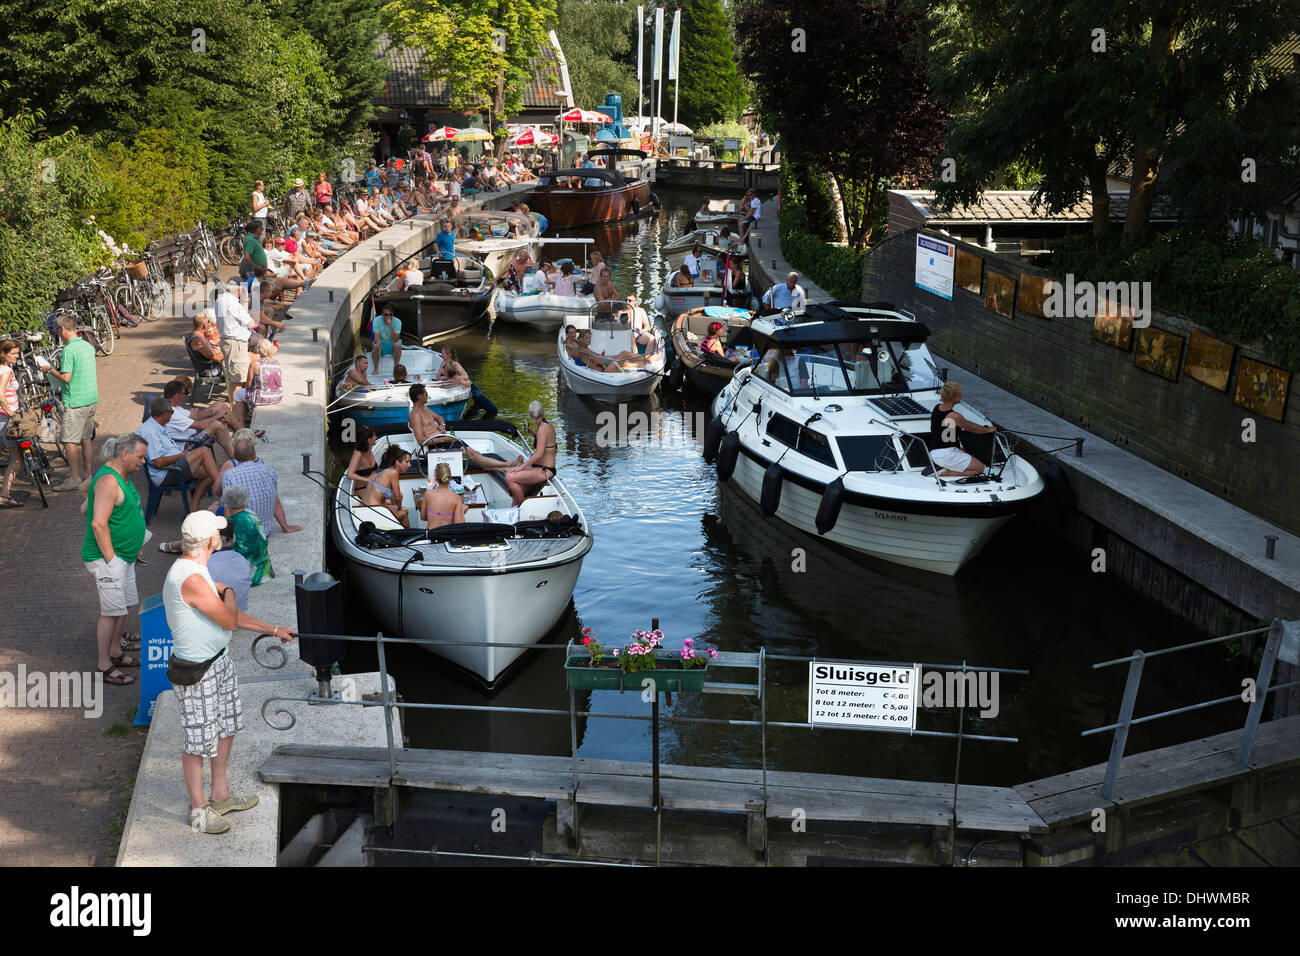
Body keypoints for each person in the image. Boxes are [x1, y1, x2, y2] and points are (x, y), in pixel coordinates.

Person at [163, 510, 292, 834]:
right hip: (198, 671)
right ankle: (198, 809)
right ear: (210, 541)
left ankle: (220, 795)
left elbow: (230, 616)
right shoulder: (192, 578)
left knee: (227, 726)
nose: (222, 535)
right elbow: (230, 619)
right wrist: (230, 592)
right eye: (218, 532)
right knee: (197, 740)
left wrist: (274, 629)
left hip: (218, 662)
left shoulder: (198, 570)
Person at [82, 433, 150, 685]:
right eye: (140, 457)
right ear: (125, 455)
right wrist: (112, 561)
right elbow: (99, 524)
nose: (143, 462)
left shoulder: (122, 475)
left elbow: (86, 502)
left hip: (125, 556)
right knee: (110, 612)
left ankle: (115, 650)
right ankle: (104, 664)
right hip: (110, 559)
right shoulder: (110, 481)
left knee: (123, 605)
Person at [46, 314, 99, 491]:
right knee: (86, 438)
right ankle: (88, 474)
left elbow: (66, 378)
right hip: (91, 397)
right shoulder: (87, 346)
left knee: (68, 441)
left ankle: (74, 477)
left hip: (76, 400)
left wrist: (50, 370)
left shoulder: (68, 350)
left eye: (57, 330)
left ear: (62, 329)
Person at [138, 398, 220, 512]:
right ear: (164, 414)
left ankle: (193, 505)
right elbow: (159, 462)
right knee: (204, 451)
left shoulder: (159, 425)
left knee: (208, 471)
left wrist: (181, 455)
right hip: (166, 473)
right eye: (171, 412)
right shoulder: (150, 432)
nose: (172, 415)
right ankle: (223, 491)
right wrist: (180, 456)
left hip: (174, 464)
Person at [220, 438, 302, 534]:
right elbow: (276, 502)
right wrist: (286, 527)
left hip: (244, 535)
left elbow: (228, 511)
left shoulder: (229, 475)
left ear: (235, 457)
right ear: (254, 455)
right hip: (265, 532)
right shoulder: (269, 471)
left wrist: (229, 536)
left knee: (215, 509)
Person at [930, 381, 996, 477]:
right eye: (959, 393)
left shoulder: (937, 408)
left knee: (966, 453)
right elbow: (973, 428)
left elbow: (945, 434)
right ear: (954, 396)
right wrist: (989, 430)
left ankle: (946, 467)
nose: (961, 395)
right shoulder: (954, 416)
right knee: (980, 468)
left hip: (935, 452)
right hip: (946, 455)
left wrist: (958, 447)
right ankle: (944, 472)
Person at [162, 380, 235, 461]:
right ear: (176, 396)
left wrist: (215, 412)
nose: (186, 395)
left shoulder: (172, 405)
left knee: (219, 406)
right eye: (184, 393)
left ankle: (242, 433)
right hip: (186, 444)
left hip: (191, 434)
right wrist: (217, 416)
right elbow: (201, 425)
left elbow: (197, 415)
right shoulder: (172, 412)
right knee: (217, 424)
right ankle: (233, 455)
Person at [504, 401, 557, 506]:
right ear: (542, 413)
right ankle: (516, 512)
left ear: (529, 414)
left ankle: (523, 507)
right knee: (515, 494)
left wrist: (522, 467)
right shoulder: (546, 425)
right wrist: (532, 433)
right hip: (540, 467)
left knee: (509, 476)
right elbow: (545, 442)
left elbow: (539, 454)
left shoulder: (542, 428)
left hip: (545, 470)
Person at [215, 277, 256, 407]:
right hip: (235, 343)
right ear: (238, 289)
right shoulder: (232, 302)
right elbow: (251, 322)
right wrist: (244, 300)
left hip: (230, 341)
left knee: (235, 378)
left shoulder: (221, 299)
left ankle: (234, 406)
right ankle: (236, 409)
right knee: (238, 378)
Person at [221, 483, 272, 585]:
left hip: (246, 575)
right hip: (264, 570)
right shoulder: (252, 515)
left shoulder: (229, 523)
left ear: (226, 502)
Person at [437, 346, 497, 419]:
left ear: (449, 354)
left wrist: (455, 379)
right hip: (456, 382)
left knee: (478, 397)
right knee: (477, 403)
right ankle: (473, 413)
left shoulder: (455, 364)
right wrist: (444, 378)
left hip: (466, 383)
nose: (441, 355)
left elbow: (466, 376)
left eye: (443, 353)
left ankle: (482, 410)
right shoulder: (443, 363)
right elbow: (438, 377)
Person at [207, 521, 252, 613]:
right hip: (240, 612)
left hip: (215, 615)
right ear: (232, 538)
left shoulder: (205, 563)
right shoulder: (242, 560)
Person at [361, 444, 411, 527]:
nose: (409, 465)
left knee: (400, 509)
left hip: (364, 511)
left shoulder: (380, 473)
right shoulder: (393, 473)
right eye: (407, 462)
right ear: (397, 462)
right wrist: (399, 508)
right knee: (404, 512)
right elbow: (398, 497)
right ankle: (409, 537)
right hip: (373, 515)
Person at [0, 339, 23, 507]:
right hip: (6, 418)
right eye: (13, 353)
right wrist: (11, 413)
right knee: (16, 458)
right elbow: (1, 395)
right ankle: (5, 494)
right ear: (3, 354)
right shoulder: (6, 370)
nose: (17, 356)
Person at [419, 462, 465, 529]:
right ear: (450, 477)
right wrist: (462, 512)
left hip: (431, 535)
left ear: (436, 478)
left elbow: (423, 517)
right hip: (446, 536)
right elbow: (458, 524)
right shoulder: (456, 498)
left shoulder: (428, 494)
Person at [408, 384, 451, 450]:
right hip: (436, 445)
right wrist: (443, 439)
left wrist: (442, 425)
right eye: (426, 394)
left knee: (470, 451)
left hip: (443, 439)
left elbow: (439, 418)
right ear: (420, 397)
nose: (427, 395)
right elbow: (421, 441)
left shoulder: (425, 409)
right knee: (469, 452)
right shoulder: (415, 415)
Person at [371, 304, 403, 374]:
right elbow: (376, 338)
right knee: (375, 346)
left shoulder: (398, 322)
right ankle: (376, 368)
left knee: (397, 345)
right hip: (381, 342)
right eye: (386, 315)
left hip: (392, 343)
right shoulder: (376, 320)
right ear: (382, 315)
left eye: (390, 314)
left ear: (393, 315)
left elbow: (395, 340)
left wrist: (390, 327)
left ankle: (396, 368)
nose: (388, 317)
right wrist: (378, 347)